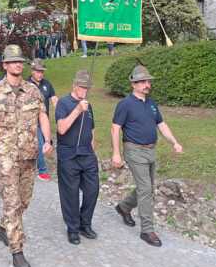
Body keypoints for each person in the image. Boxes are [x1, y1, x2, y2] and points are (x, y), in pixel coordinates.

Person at [0, 44, 53, 267]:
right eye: (13, 61)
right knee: (12, 203)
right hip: (7, 159)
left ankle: (2, 228)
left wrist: (48, 140)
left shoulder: (33, 91)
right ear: (5, 65)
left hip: (29, 156)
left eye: (20, 61)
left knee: (24, 201)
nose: (18, 64)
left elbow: (43, 116)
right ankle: (17, 252)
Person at [111, 65, 183, 247]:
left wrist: (174, 142)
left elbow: (162, 125)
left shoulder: (151, 104)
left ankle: (124, 207)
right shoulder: (125, 104)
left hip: (151, 150)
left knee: (147, 188)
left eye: (148, 81)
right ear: (133, 84)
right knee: (145, 189)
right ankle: (147, 230)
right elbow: (115, 128)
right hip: (134, 150)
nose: (147, 84)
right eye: (142, 81)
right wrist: (116, 153)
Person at [55, 70, 98, 245]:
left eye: (87, 87)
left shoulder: (89, 105)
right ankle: (72, 228)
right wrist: (78, 109)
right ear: (74, 85)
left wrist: (93, 149)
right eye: (82, 87)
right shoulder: (63, 103)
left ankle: (85, 223)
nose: (84, 90)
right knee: (70, 194)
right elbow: (61, 129)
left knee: (92, 190)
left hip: (87, 154)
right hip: (69, 154)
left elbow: (92, 129)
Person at [28, 58, 58, 181]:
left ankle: (31, 164)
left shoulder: (47, 84)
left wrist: (61, 112)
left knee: (45, 142)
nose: (40, 74)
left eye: (42, 72)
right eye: (38, 71)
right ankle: (42, 171)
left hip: (44, 120)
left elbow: (54, 100)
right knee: (40, 143)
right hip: (31, 121)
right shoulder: (26, 84)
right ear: (32, 71)